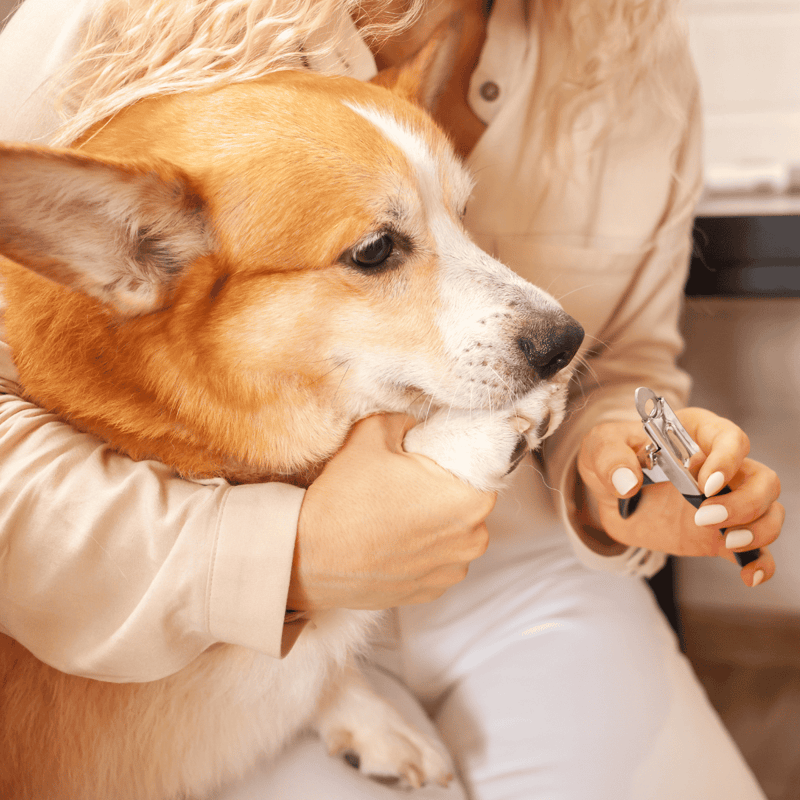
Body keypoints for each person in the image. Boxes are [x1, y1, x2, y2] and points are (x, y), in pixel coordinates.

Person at [0, 0, 784, 797]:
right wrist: (294, 560)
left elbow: (620, 364)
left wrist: (617, 464)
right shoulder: (106, 22)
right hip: (196, 599)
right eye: (378, 251)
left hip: (517, 561)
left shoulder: (640, 56)